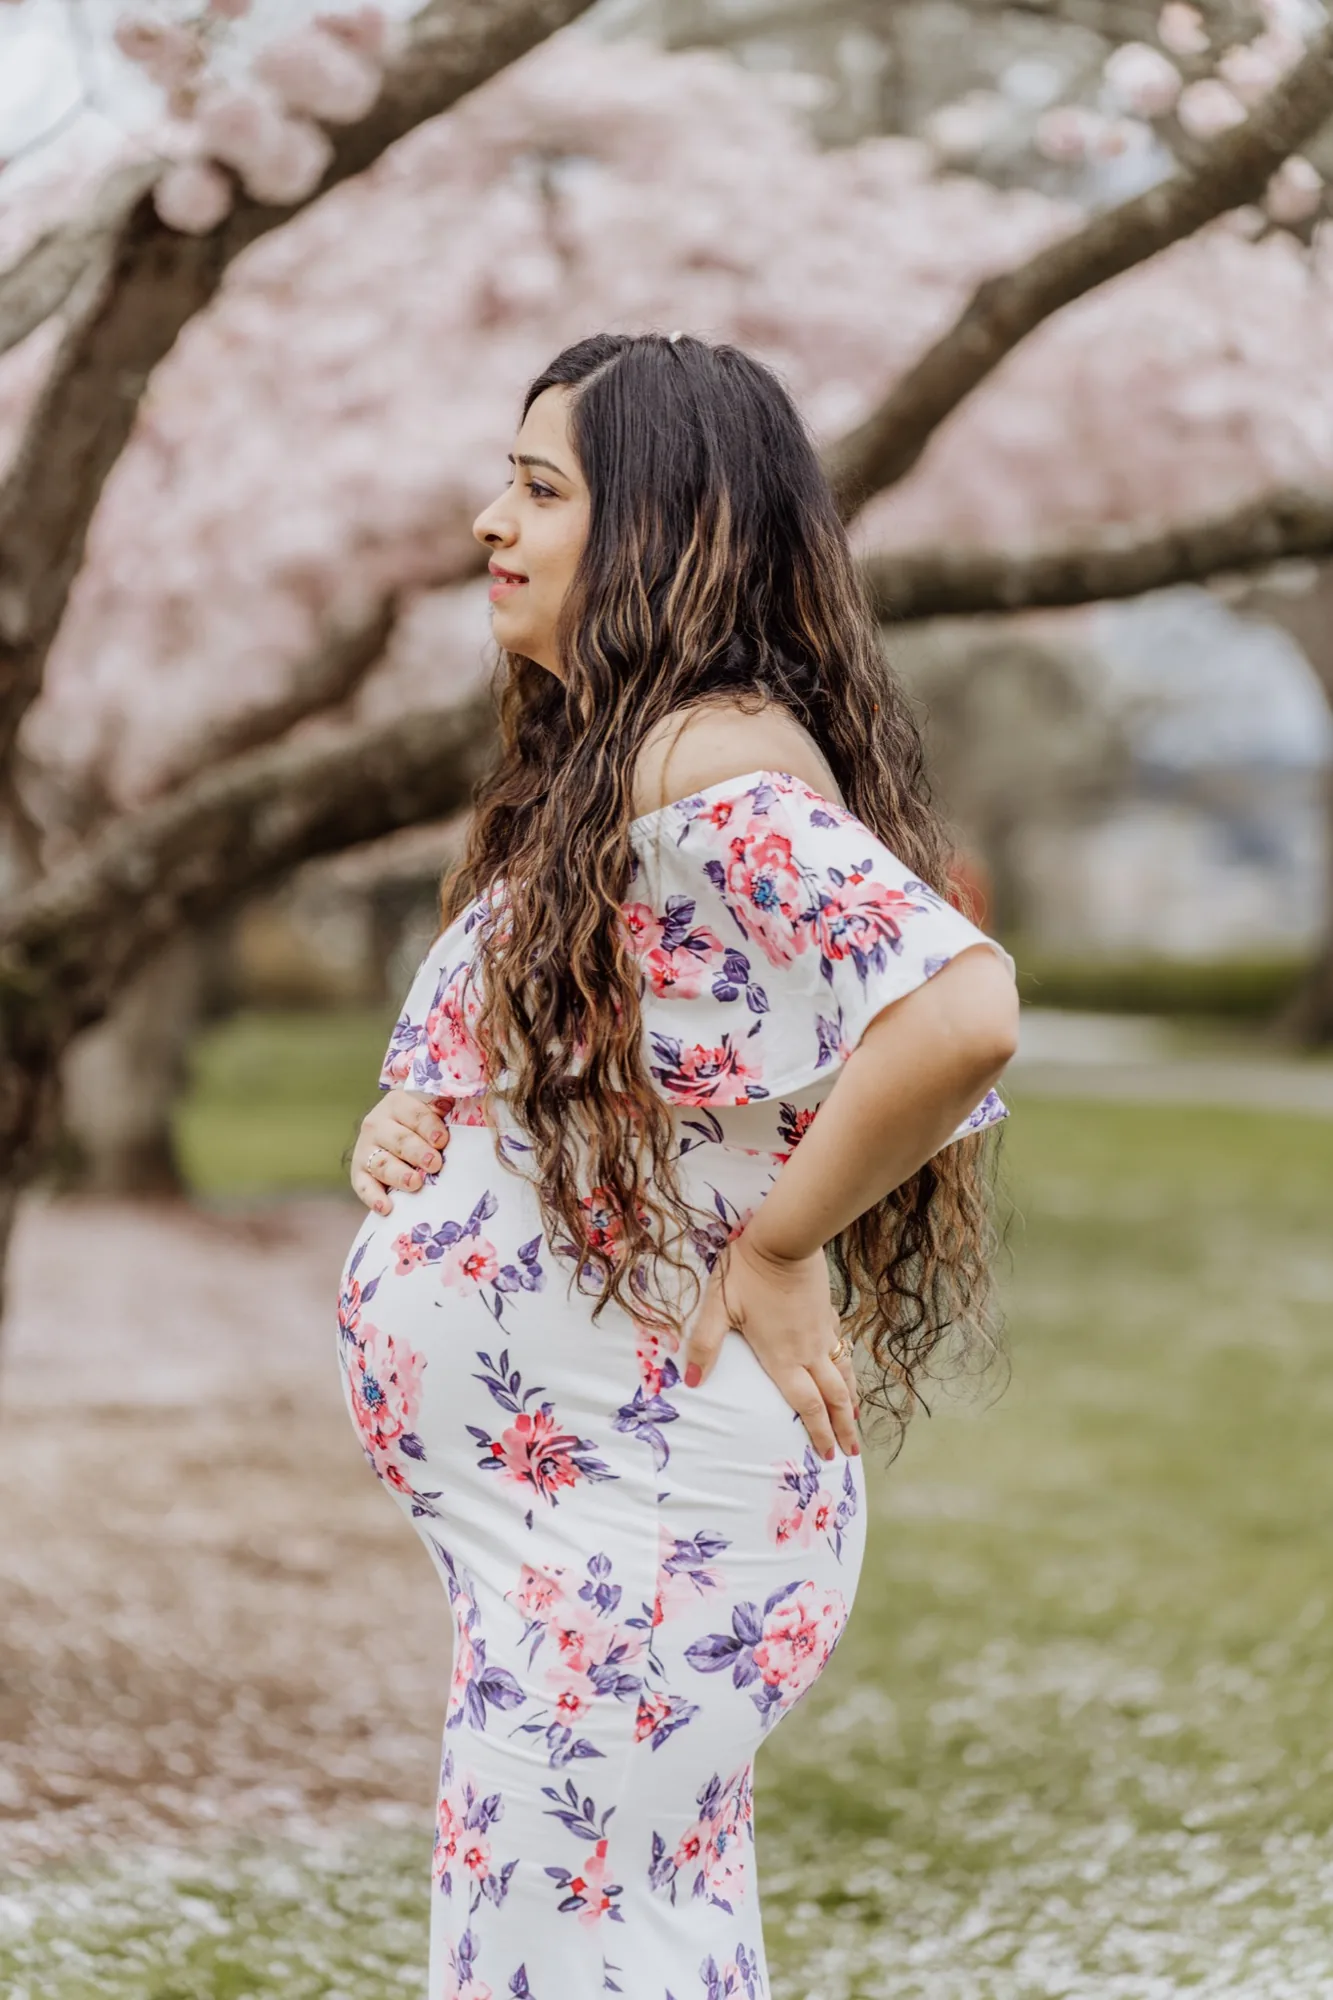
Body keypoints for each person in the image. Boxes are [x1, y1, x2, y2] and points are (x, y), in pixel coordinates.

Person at [337, 332, 1019, 2000]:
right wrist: (410, 1131)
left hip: (648, 1520)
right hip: (575, 1516)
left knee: (546, 1959)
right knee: (623, 1946)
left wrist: (782, 1251)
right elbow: (589, 1081)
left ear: (660, 530)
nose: (491, 519)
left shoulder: (708, 766)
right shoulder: (608, 779)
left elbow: (960, 1010)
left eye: (541, 488)